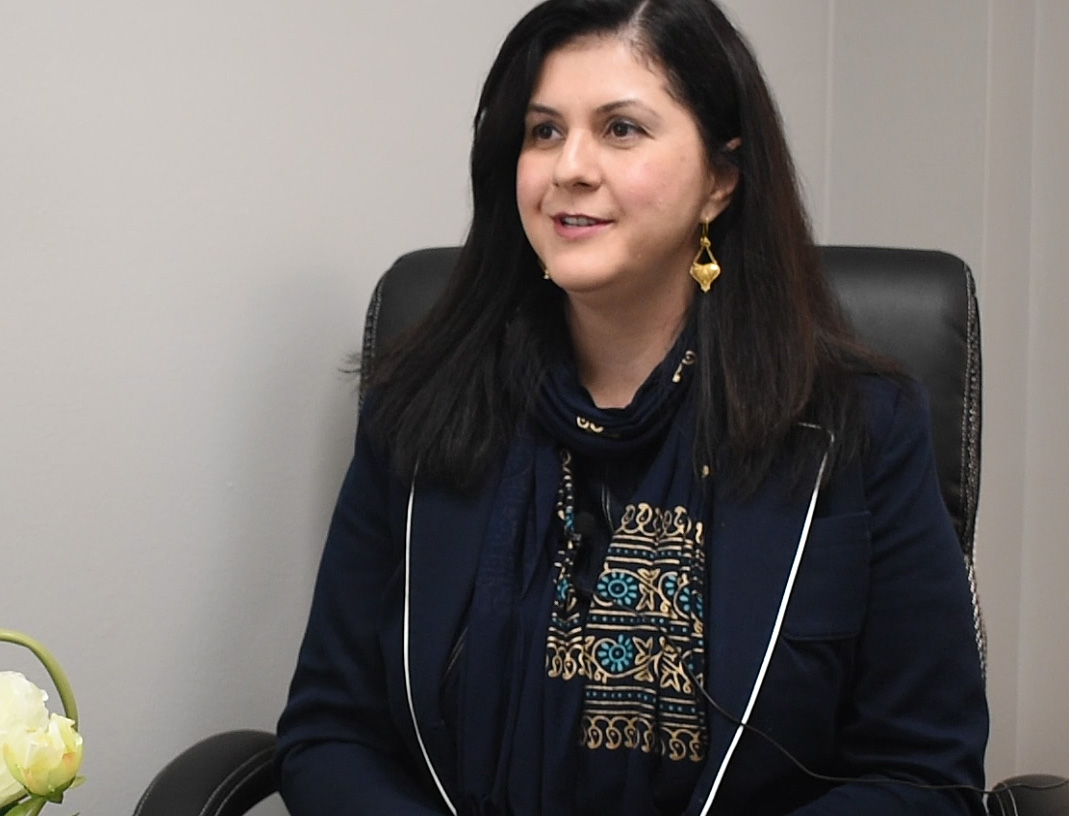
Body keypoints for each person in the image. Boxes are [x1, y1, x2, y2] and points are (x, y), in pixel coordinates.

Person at [275, 0, 989, 813]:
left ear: (720, 180)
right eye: (543, 131)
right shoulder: (420, 410)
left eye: (620, 129)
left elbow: (921, 771)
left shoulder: (854, 427)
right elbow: (330, 733)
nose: (568, 167)